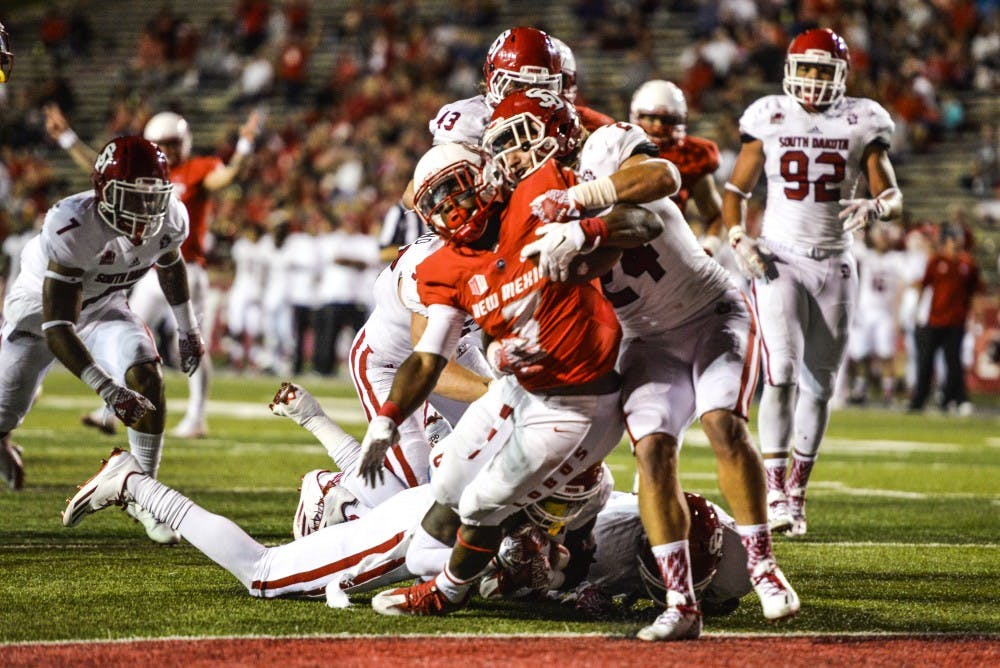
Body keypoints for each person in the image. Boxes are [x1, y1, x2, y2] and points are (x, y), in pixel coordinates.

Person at [484, 89, 799, 640]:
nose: (512, 157)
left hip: (709, 313)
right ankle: (680, 603)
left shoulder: (605, 147)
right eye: (504, 147)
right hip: (645, 339)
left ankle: (764, 564)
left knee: (722, 423)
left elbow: (659, 188)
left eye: (521, 139)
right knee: (652, 451)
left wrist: (583, 208)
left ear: (556, 133)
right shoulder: (521, 213)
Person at [360, 142, 660, 618]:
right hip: (518, 390)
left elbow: (648, 223)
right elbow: (427, 357)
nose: (448, 210)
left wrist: (585, 231)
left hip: (581, 401)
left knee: (482, 505)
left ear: (483, 177)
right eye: (434, 203)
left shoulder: (538, 196)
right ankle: (525, 564)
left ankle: (448, 593)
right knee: (447, 494)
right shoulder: (446, 266)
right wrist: (388, 418)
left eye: (453, 192)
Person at [721, 28, 903, 537]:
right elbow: (736, 188)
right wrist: (738, 235)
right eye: (808, 68)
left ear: (842, 74)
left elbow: (891, 193)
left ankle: (797, 491)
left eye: (825, 70)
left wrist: (875, 205)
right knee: (780, 371)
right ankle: (774, 491)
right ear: (790, 70)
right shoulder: (770, 115)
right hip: (780, 258)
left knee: (820, 384)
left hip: (836, 263)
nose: (815, 79)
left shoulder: (861, 118)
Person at [0, 138, 202, 547]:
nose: (144, 211)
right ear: (103, 190)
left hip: (105, 308)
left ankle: (145, 495)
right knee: (4, 413)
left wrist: (188, 329)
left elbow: (169, 261)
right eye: (132, 197)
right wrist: (108, 391)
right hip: (38, 316)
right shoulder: (72, 225)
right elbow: (59, 325)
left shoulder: (171, 217)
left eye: (151, 198)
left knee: (147, 374)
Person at [43, 105, 260, 438]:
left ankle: (197, 415)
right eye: (163, 143)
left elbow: (227, 177)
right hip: (147, 268)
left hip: (186, 268)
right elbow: (100, 170)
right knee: (126, 337)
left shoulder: (197, 169)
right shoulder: (139, 172)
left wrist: (244, 147)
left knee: (188, 340)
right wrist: (68, 139)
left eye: (174, 142)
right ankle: (116, 409)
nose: (170, 150)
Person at [629, 79, 725, 253]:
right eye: (651, 118)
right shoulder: (617, 147)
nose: (658, 126)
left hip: (670, 253)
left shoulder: (690, 156)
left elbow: (716, 215)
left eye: (666, 119)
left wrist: (709, 248)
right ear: (636, 116)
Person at [907, 223, 982, 414]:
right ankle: (919, 400)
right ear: (946, 241)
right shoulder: (936, 261)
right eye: (953, 239)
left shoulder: (968, 264)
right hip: (935, 320)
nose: (957, 244)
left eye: (959, 240)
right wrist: (917, 312)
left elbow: (975, 292)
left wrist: (974, 315)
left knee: (953, 362)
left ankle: (951, 399)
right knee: (926, 362)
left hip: (956, 321)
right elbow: (924, 286)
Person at [846, 223, 907, 405]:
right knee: (859, 354)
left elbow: (902, 286)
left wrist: (898, 315)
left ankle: (889, 392)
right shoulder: (866, 254)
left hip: (885, 313)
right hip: (864, 312)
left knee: (887, 353)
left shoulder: (897, 258)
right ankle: (860, 389)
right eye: (880, 235)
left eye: (885, 235)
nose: (883, 238)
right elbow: (849, 243)